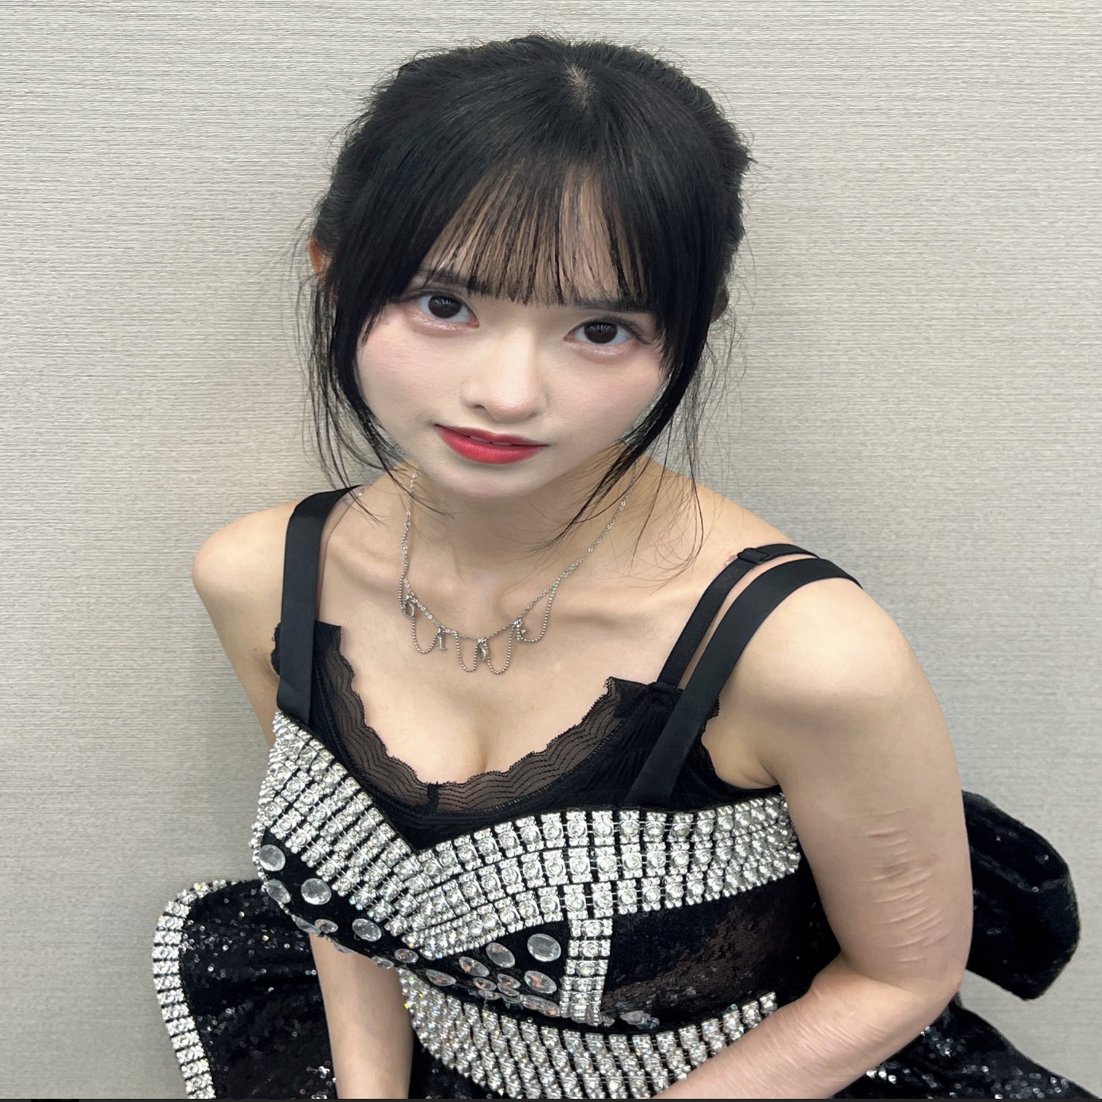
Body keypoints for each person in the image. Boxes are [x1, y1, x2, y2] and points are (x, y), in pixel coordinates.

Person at [152, 33, 1092, 1100]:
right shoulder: (262, 578)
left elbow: (899, 976)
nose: (508, 392)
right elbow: (347, 898)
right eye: (444, 305)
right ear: (336, 275)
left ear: (688, 332)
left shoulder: (809, 657)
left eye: (599, 329)